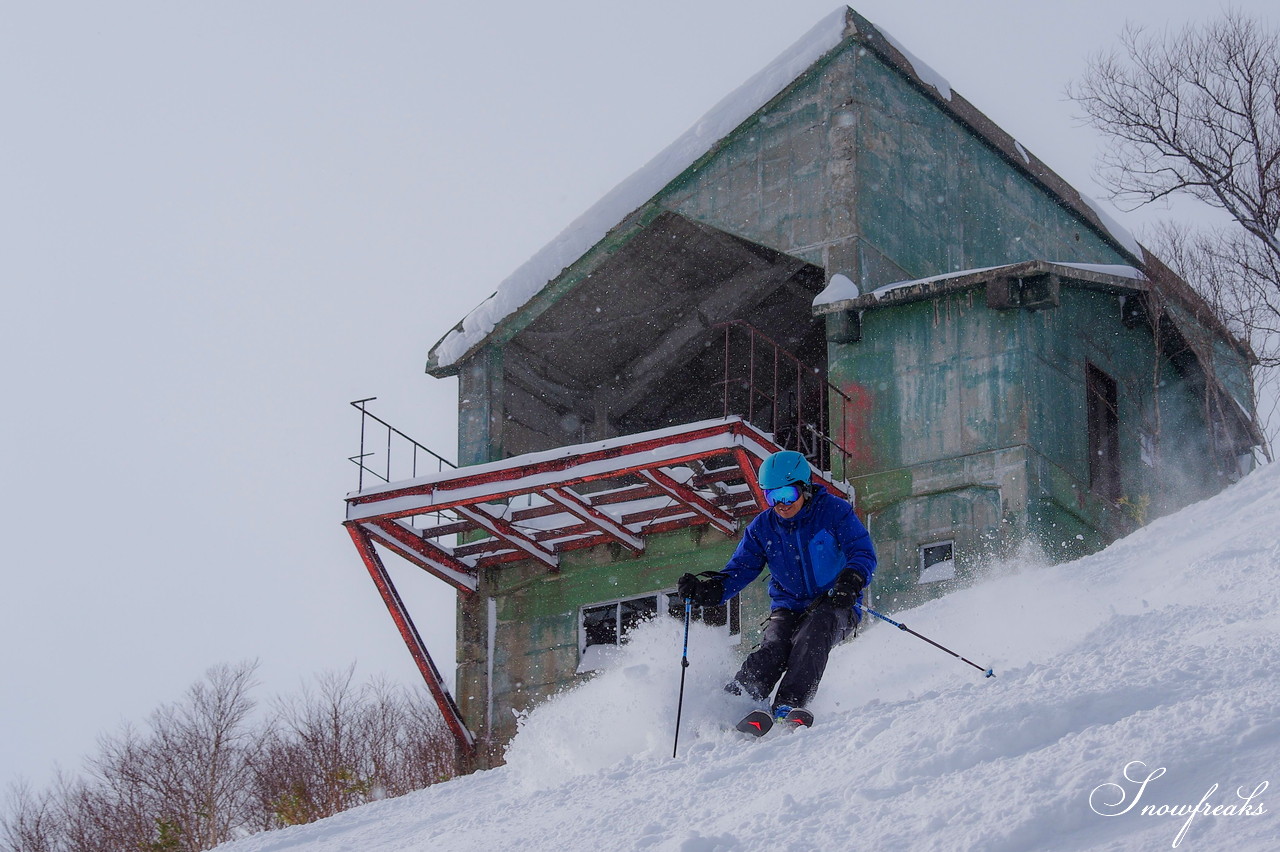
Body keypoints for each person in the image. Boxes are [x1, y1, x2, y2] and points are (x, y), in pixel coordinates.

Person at [678, 450, 876, 723]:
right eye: (772, 497)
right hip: (788, 606)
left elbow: (862, 552)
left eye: (787, 495)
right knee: (774, 649)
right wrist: (711, 589)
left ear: (804, 488)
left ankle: (788, 704)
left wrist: (851, 581)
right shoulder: (763, 527)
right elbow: (741, 568)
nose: (781, 504)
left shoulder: (834, 512)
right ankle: (733, 705)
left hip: (836, 602)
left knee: (814, 633)